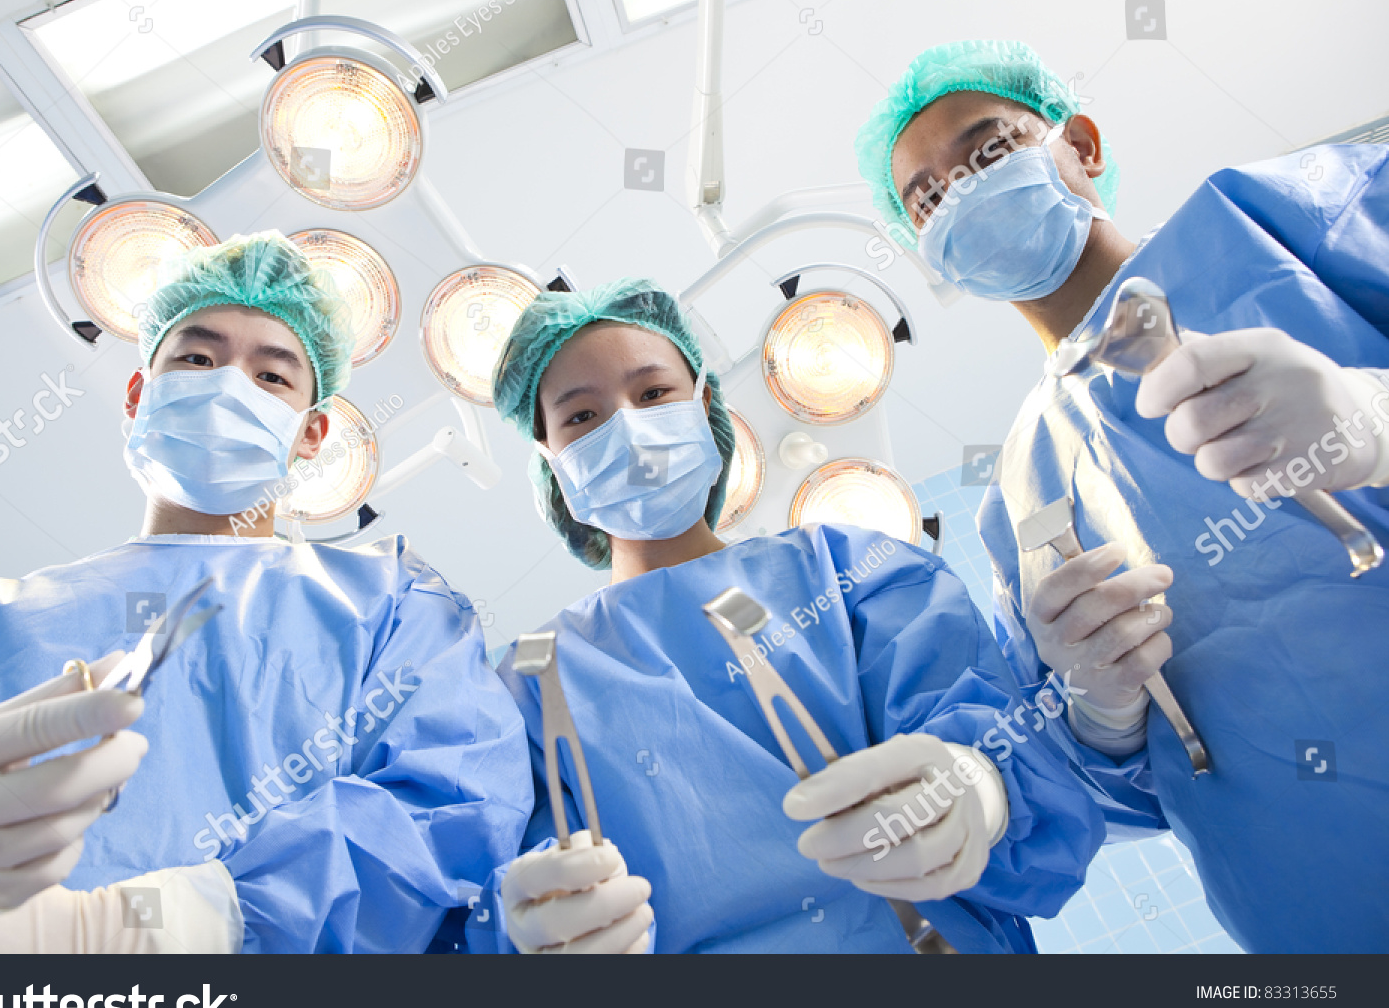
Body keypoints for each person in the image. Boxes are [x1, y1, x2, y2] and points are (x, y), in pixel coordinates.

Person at [856, 39, 1389, 951]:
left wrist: (1371, 416)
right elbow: (1111, 789)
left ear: (1081, 146)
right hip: (1313, 913)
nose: (965, 194)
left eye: (989, 152)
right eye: (930, 199)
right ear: (930, 253)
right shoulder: (1017, 497)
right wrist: (1099, 709)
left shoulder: (1280, 219)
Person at [0, 231, 532, 953]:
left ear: (310, 434)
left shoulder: (392, 607)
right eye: (196, 358)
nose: (227, 384)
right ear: (138, 394)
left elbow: (447, 807)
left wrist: (198, 921)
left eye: (271, 377)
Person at [465, 278, 1104, 954]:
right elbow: (503, 875)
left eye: (653, 394)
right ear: (552, 463)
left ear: (704, 402)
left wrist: (984, 786)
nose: (626, 425)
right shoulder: (535, 680)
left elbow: (1010, 758)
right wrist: (521, 930)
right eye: (582, 417)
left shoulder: (850, 571)